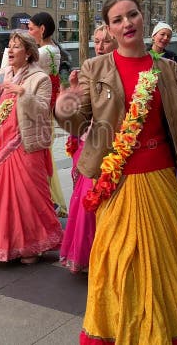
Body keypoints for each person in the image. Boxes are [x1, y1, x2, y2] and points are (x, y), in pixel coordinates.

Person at [56, 0, 177, 344]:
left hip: (160, 178)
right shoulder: (95, 68)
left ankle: (164, 331)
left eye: (131, 15)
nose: (127, 23)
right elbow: (77, 123)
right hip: (115, 183)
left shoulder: (165, 69)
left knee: (163, 265)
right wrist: (65, 106)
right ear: (109, 29)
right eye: (117, 20)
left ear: (142, 18)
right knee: (115, 262)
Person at [0, 31, 63, 264]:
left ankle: (32, 247)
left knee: (28, 197)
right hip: (0, 144)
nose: (10, 51)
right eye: (9, 47)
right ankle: (6, 245)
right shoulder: (2, 76)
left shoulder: (39, 78)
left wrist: (23, 93)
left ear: (29, 52)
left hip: (26, 144)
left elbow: (43, 110)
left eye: (16, 47)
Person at [59, 24, 117, 273]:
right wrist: (70, 91)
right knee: (86, 196)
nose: (100, 46)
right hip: (91, 140)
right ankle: (88, 253)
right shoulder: (90, 68)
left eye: (105, 41)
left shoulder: (119, 69)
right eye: (97, 41)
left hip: (116, 142)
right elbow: (78, 115)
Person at [27, 12, 68, 217]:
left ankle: (47, 201)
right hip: (49, 109)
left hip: (38, 109)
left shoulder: (42, 53)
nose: (29, 32)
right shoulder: (55, 50)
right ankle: (50, 200)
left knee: (40, 158)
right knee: (46, 154)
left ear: (42, 29)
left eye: (31, 28)